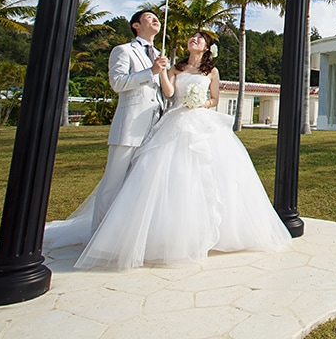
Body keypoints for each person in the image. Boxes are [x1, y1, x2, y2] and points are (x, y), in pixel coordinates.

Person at [74, 30, 292, 269]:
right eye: (192, 37)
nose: (194, 40)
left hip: (201, 119)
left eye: (200, 38)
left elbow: (215, 99)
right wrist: (164, 72)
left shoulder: (212, 71)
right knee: (168, 172)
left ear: (206, 47)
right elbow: (168, 93)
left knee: (213, 172)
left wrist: (201, 102)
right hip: (175, 119)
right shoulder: (176, 68)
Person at [92, 9, 168, 230]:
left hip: (154, 128)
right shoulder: (124, 50)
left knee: (138, 185)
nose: (155, 19)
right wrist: (150, 71)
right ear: (136, 25)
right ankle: (98, 234)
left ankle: (123, 232)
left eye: (156, 17)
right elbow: (117, 83)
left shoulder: (160, 55)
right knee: (113, 183)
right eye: (149, 17)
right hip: (129, 126)